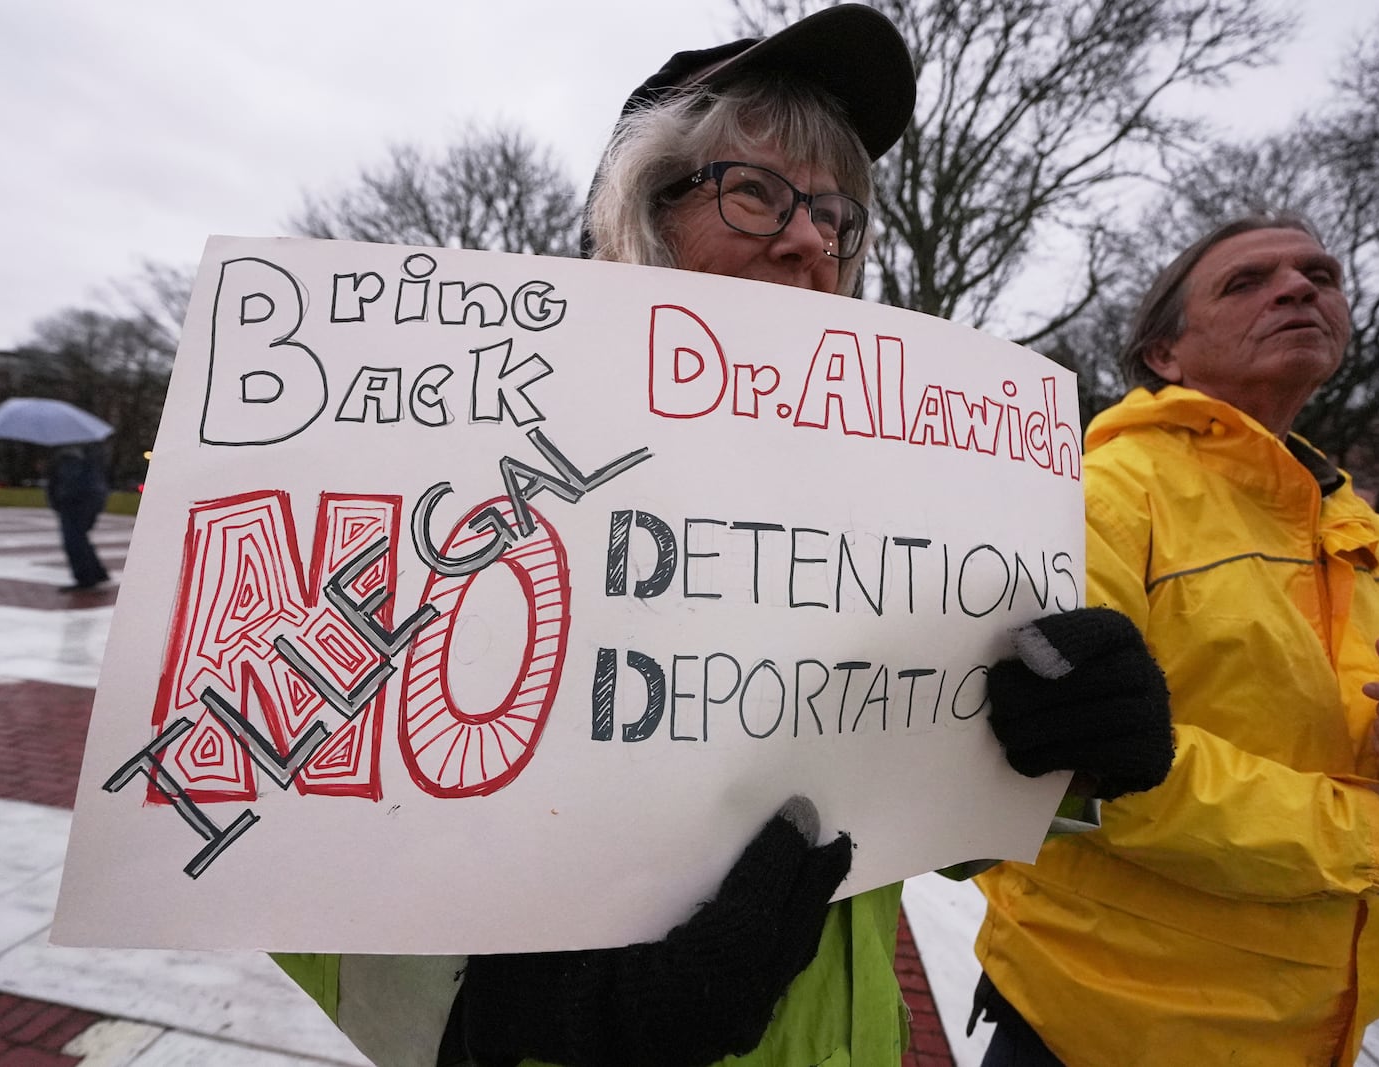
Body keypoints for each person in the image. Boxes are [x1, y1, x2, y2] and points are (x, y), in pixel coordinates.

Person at [276, 7, 1174, 1066]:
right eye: (755, 192)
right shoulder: (463, 444)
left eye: (837, 218)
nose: (809, 240)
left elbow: (925, 825)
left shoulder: (893, 496)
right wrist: (518, 1007)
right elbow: (282, 799)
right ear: (636, 214)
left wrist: (1057, 743)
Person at [968, 213, 1379, 1067]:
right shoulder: (1100, 495)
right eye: (1245, 282)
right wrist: (1359, 838)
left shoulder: (1365, 527)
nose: (1299, 288)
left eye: (1320, 275)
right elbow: (1075, 762)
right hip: (1102, 1022)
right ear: (1163, 355)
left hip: (1319, 1028)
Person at [46, 443, 110, 592]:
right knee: (79, 538)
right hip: (85, 502)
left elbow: (69, 484)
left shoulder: (71, 457)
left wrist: (58, 498)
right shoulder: (87, 454)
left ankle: (86, 578)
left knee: (74, 540)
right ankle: (97, 573)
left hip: (76, 504)